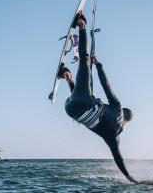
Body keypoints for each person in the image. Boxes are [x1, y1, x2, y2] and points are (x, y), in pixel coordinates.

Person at [58, 11, 137, 183]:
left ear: (124, 111)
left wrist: (98, 65)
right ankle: (66, 76)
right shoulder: (114, 138)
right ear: (127, 122)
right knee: (85, 92)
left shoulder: (117, 107)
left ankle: (82, 26)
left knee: (85, 62)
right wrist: (128, 176)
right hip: (71, 111)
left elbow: (106, 86)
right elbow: (118, 158)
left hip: (83, 101)